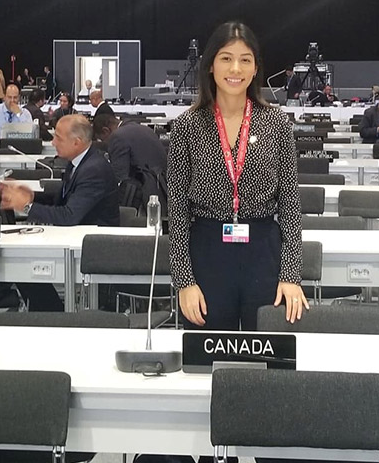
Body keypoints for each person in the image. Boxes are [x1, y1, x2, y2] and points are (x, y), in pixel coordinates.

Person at [168, 21, 305, 332]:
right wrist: (183, 280)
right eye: (226, 58)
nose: (236, 68)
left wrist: (291, 274)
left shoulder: (276, 123)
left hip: (263, 252)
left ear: (256, 68)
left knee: (269, 360)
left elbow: (290, 204)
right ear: (210, 65)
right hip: (207, 254)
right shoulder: (187, 126)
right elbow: (176, 209)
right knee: (208, 361)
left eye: (246, 59)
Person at [0, 114, 120, 227]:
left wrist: (26, 207)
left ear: (76, 142)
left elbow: (68, 216)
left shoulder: (94, 170)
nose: (53, 143)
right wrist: (32, 197)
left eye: (58, 138)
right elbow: (61, 200)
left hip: (93, 242)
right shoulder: (76, 162)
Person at [93, 113, 167, 209]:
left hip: (142, 196)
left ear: (106, 130)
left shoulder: (117, 136)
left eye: (102, 139)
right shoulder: (144, 129)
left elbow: (119, 176)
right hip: (161, 190)